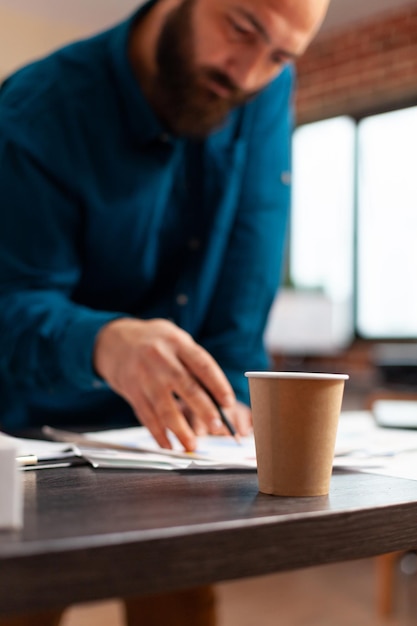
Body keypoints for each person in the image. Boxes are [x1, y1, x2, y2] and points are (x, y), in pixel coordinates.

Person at [0, 0, 329, 624]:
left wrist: (236, 413)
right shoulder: (37, 110)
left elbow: (247, 263)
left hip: (184, 453)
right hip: (37, 444)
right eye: (242, 28)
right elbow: (10, 301)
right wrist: (103, 341)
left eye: (282, 55)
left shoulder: (261, 84)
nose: (249, 73)